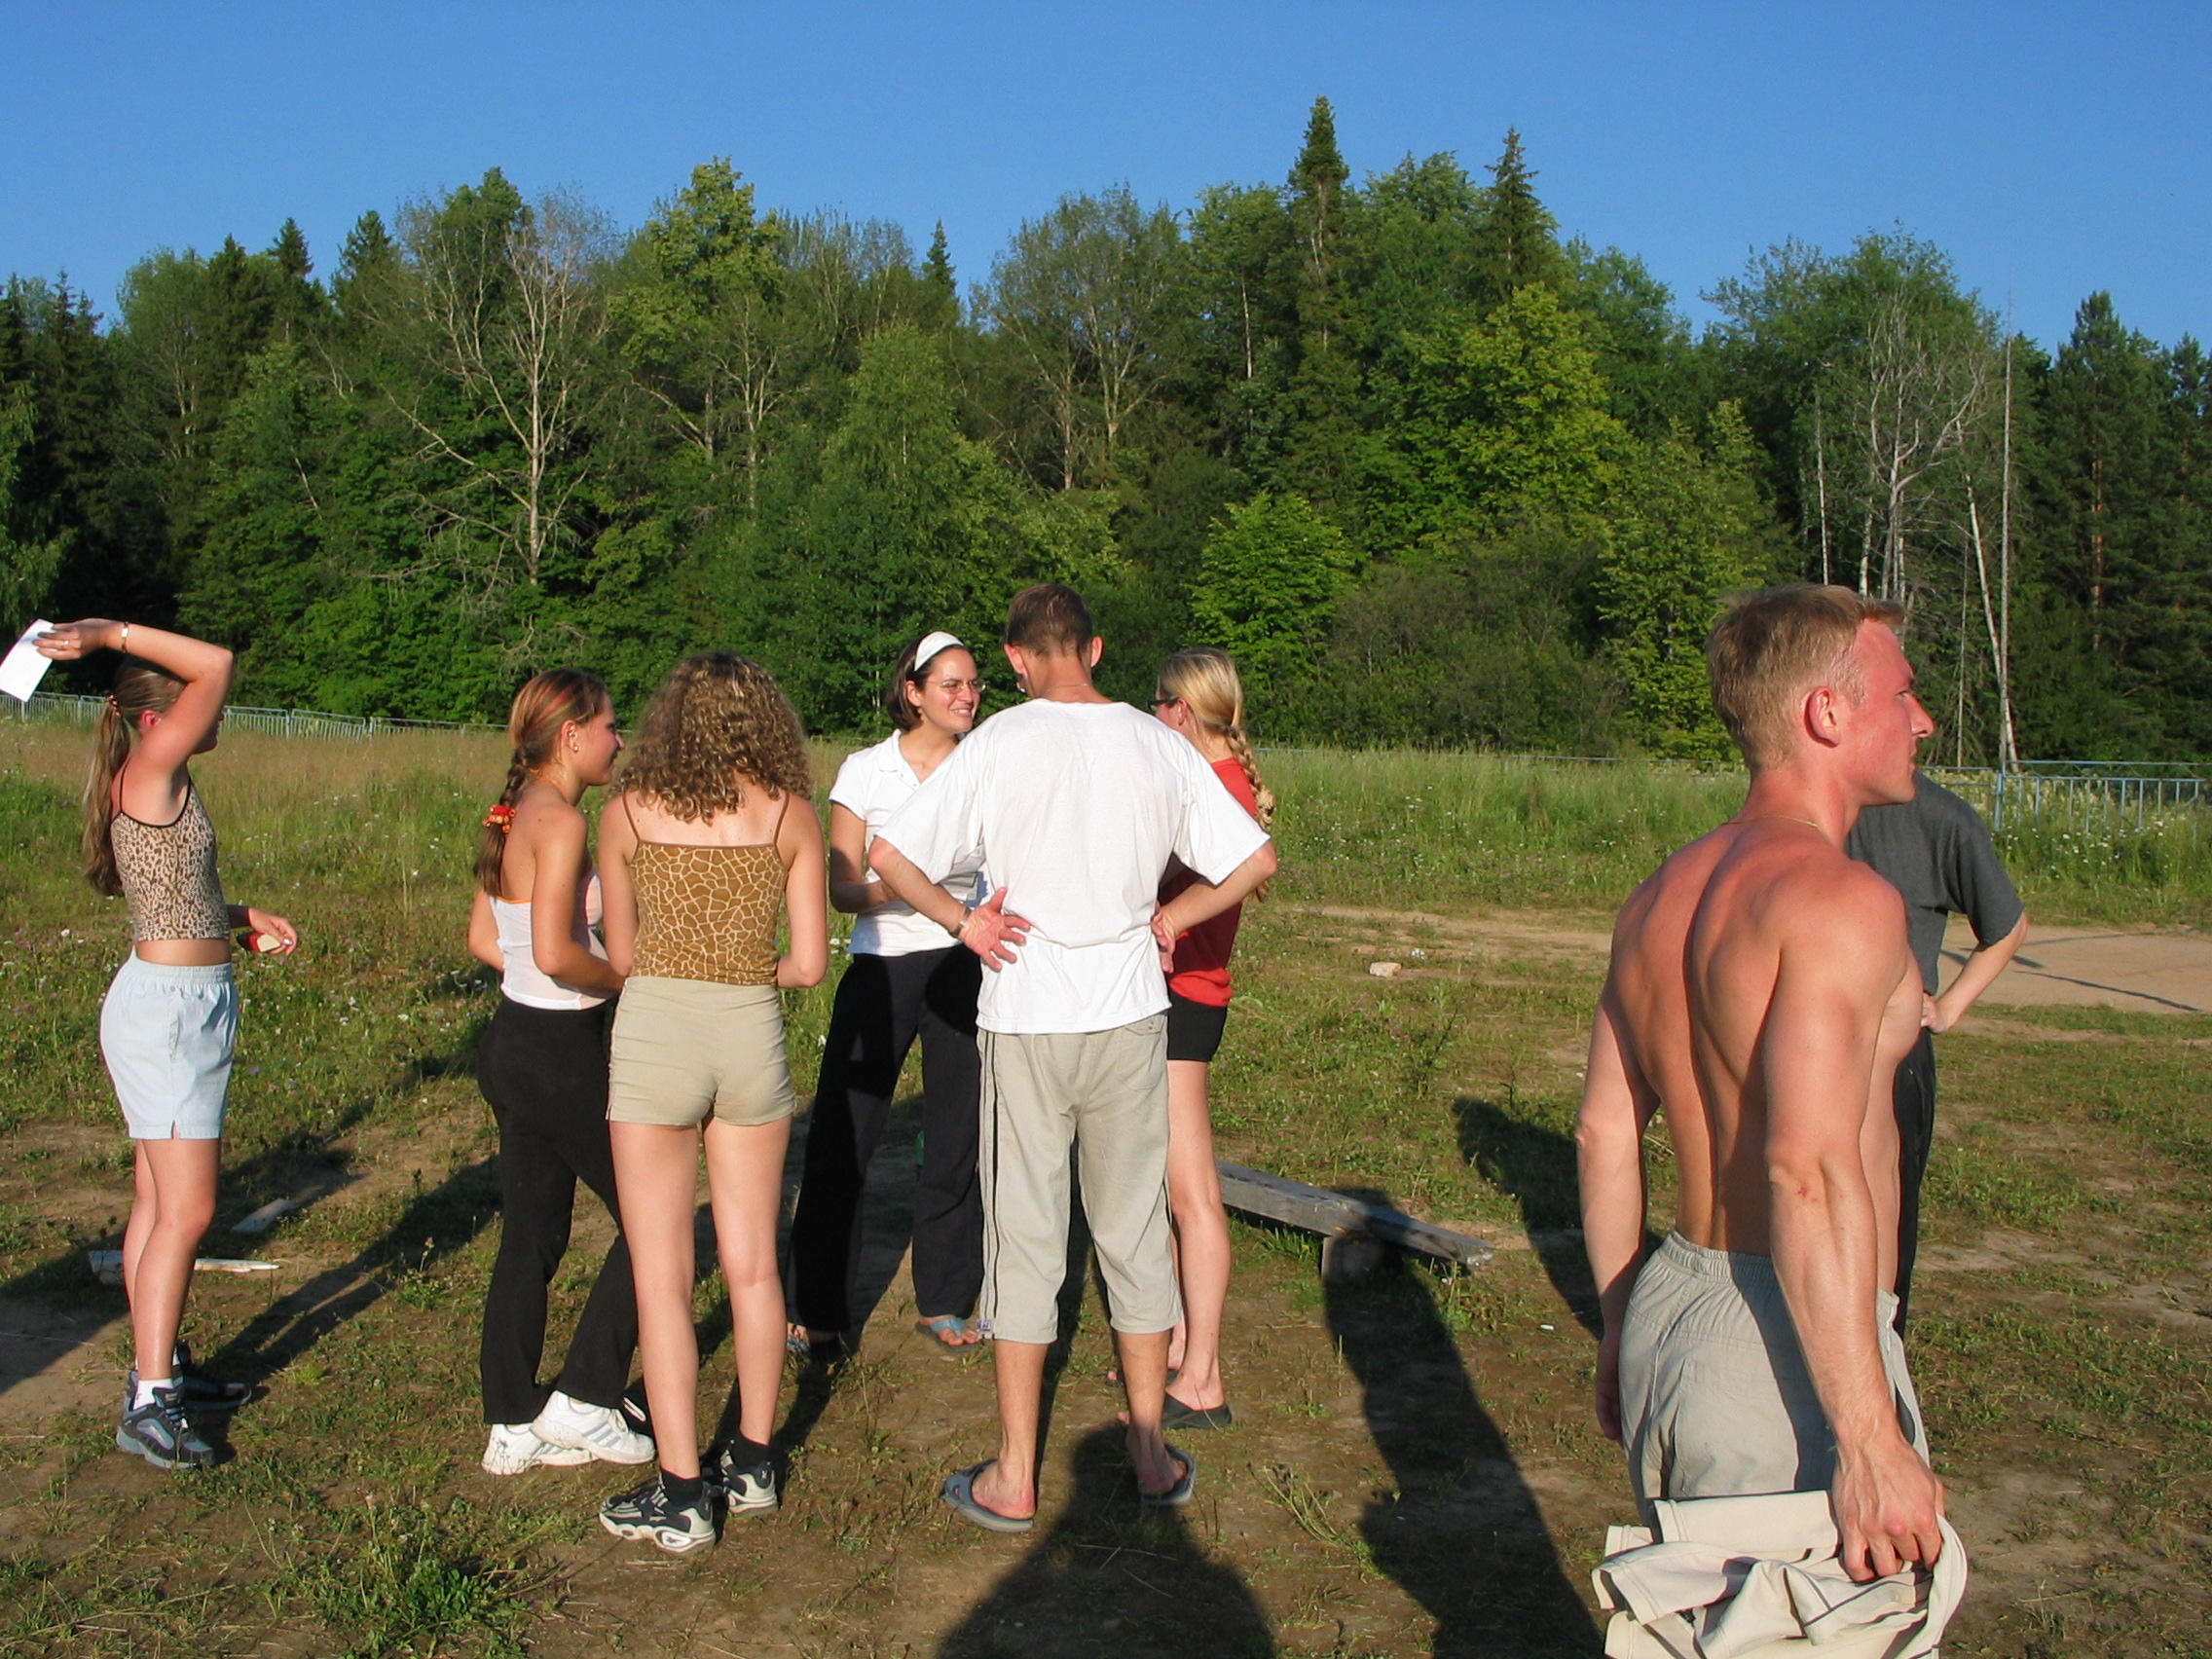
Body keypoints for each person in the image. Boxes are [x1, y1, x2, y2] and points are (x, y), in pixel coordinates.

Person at [868, 584, 1277, 1532]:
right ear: (1092, 649)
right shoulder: (1156, 742)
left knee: (1026, 1238)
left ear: (1016, 659)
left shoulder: (996, 743)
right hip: (1132, 1016)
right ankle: (1149, 1453)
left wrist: (964, 923)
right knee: (1132, 1231)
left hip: (1026, 1017)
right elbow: (1254, 859)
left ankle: (1015, 1475)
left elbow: (888, 853)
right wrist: (1170, 919)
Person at [1574, 584, 1949, 1585]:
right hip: (1784, 1339)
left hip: (1673, 1304)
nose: (1921, 719)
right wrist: (1868, 1439)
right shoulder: (1842, 901)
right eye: (1901, 694)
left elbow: (1604, 1135)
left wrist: (1621, 1325)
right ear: (1826, 714)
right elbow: (1807, 1173)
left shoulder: (1656, 896)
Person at [36, 619, 300, 1471]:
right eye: (195, 709)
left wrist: (240, 920)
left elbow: (174, 901)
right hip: (169, 1017)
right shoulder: (150, 769)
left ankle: (163, 1364)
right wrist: (108, 632)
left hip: (181, 1002)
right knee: (186, 1212)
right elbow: (216, 662)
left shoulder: (158, 776)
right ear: (156, 722)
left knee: (157, 1204)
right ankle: (151, 1402)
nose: (215, 713)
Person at [593, 653, 828, 1555]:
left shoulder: (625, 814)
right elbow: (808, 964)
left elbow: (622, 956)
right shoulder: (791, 815)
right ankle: (755, 1462)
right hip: (749, 1033)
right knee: (754, 1267)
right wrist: (750, 971)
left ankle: (682, 1491)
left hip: (657, 1036)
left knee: (661, 1278)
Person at [464, 670, 653, 1476]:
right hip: (559, 1054)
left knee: (531, 1237)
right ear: (571, 736)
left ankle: (511, 1418)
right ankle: (587, 1395)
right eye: (610, 726)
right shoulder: (564, 822)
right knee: (654, 1222)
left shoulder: (515, 812)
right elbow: (553, 952)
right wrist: (627, 981)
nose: (620, 740)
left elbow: (488, 941)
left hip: (513, 1042)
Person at [788, 632, 989, 1352]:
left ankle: (944, 1298)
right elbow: (843, 890)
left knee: (958, 1137)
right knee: (845, 1135)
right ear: (913, 692)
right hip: (882, 969)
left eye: (974, 684)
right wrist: (903, 889)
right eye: (951, 685)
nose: (967, 697)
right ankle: (816, 1309)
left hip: (963, 964)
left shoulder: (983, 766)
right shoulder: (865, 771)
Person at [1145, 646, 1274, 1429]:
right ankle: (1181, 1343)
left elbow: (1256, 866)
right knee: (1169, 1187)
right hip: (1184, 996)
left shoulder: (1217, 785)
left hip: (1185, 1000)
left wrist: (1168, 918)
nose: (1151, 716)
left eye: (1157, 703)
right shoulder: (1217, 778)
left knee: (1191, 1192)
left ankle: (1203, 1378)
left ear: (1183, 710)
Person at [1847, 773, 2026, 1333]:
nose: (1920, 730)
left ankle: (1880, 1352)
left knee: (1886, 1210)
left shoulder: (1942, 817)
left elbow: (2007, 926)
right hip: (1796, 1033)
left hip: (1894, 1044)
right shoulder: (1801, 803)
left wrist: (1947, 1008)